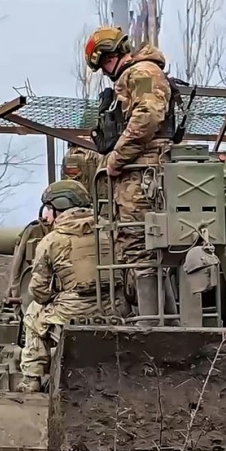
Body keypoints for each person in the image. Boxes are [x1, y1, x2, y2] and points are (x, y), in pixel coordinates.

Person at [84, 25, 176, 325]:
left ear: (111, 55)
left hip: (143, 177)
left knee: (141, 247)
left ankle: (153, 324)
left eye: (103, 64)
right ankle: (164, 320)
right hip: (138, 176)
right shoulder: (136, 75)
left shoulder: (142, 73)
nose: (104, 71)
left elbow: (147, 116)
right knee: (142, 249)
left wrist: (116, 159)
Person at [18, 179, 110, 392]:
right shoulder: (111, 231)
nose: (45, 216)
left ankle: (32, 378)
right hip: (113, 310)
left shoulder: (51, 241)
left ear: (58, 209)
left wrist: (57, 296)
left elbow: (39, 291)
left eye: (48, 209)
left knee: (33, 314)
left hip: (71, 313)